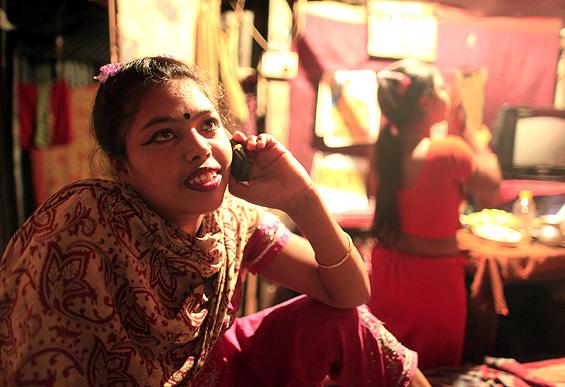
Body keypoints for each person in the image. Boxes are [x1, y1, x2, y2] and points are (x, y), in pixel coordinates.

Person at [0, 56, 431, 386]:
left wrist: (302, 200)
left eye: (208, 125)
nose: (198, 147)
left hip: (217, 374)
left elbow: (350, 293)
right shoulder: (86, 220)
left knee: (348, 324)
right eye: (163, 134)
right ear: (121, 166)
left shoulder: (229, 219)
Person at [367, 59, 502, 371]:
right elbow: (492, 185)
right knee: (435, 371)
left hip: (387, 273)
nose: (447, 94)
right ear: (427, 102)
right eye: (442, 88)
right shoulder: (448, 150)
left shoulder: (383, 148)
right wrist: (468, 129)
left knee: (388, 368)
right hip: (433, 285)